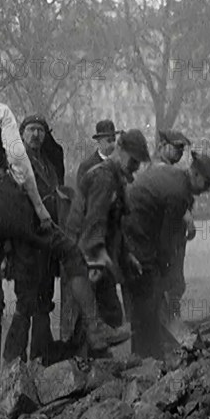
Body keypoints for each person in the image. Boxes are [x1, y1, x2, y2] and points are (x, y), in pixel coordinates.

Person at [0, 62, 131, 404]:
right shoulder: (0, 112)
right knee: (69, 251)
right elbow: (18, 160)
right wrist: (41, 212)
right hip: (5, 202)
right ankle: (97, 331)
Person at [122, 151, 210, 358]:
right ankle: (147, 355)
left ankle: (144, 351)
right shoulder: (180, 194)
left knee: (146, 296)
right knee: (148, 294)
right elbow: (166, 239)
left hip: (135, 232)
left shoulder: (175, 177)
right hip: (137, 235)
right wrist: (165, 269)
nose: (205, 190)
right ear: (195, 174)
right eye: (206, 183)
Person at [65, 129, 150, 356]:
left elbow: (116, 225)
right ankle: (86, 372)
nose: (136, 166)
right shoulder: (103, 177)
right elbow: (94, 221)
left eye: (139, 163)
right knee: (91, 319)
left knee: (111, 314)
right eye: (133, 160)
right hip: (82, 253)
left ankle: (101, 369)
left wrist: (126, 255)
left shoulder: (116, 179)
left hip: (97, 252)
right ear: (119, 150)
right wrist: (97, 256)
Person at [3, 114, 73, 366]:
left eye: (41, 131)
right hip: (26, 242)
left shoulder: (48, 164)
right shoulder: (16, 163)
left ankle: (40, 358)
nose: (36, 135)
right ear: (21, 134)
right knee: (26, 302)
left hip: (47, 243)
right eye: (31, 130)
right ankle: (13, 360)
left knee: (44, 301)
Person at [154, 130, 196, 321]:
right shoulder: (160, 171)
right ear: (163, 145)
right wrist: (188, 219)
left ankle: (170, 322)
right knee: (168, 283)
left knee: (175, 283)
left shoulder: (173, 172)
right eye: (176, 147)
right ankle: (165, 326)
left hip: (175, 238)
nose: (179, 152)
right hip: (163, 237)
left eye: (182, 149)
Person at [76, 119, 119, 187]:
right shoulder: (86, 166)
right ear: (99, 140)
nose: (112, 144)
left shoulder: (119, 165)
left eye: (114, 139)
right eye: (109, 140)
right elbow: (81, 194)